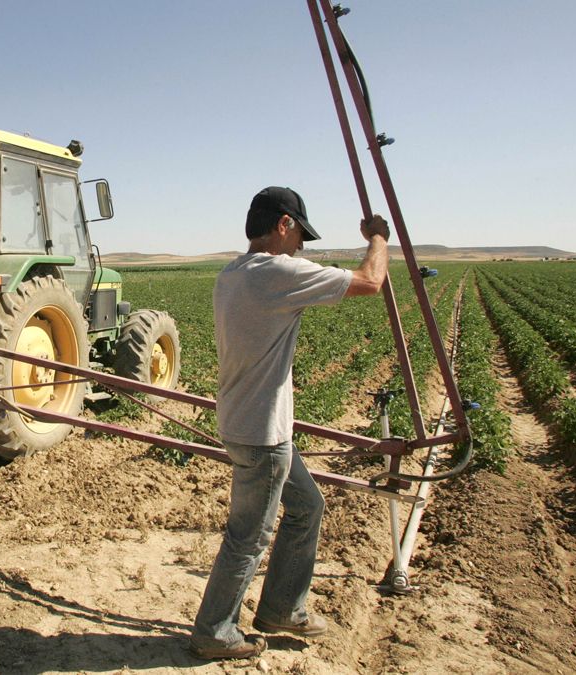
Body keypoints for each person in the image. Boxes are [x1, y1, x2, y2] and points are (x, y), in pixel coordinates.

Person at [188, 186, 389, 660]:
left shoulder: (232, 274)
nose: (301, 246)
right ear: (283, 224)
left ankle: (283, 607)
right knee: (249, 536)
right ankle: (213, 631)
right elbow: (370, 281)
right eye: (300, 234)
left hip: (244, 422)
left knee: (307, 506)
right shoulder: (276, 272)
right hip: (263, 434)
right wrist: (378, 237)